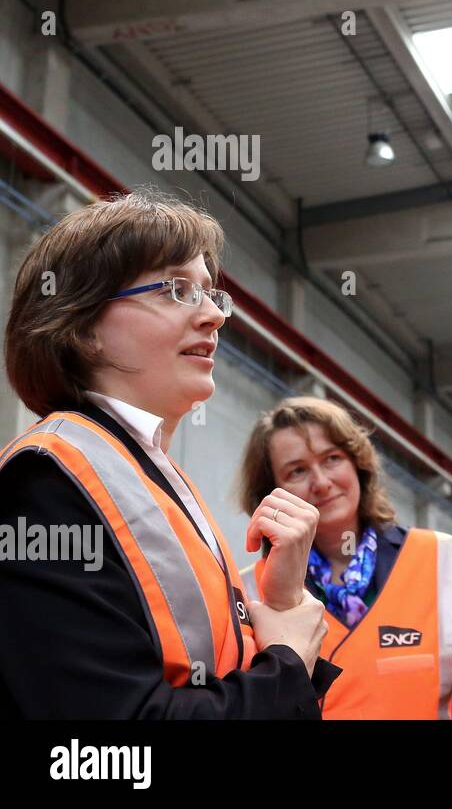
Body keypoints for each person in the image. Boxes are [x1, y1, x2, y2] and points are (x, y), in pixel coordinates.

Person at [0, 190, 337, 717]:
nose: (213, 317)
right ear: (83, 326)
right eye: (177, 290)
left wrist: (279, 611)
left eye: (210, 294)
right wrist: (287, 664)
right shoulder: (46, 482)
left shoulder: (154, 481)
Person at [237, 396, 452, 719]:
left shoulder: (444, 560)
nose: (321, 483)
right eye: (297, 471)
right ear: (271, 491)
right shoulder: (249, 590)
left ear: (358, 463)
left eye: (332, 458)